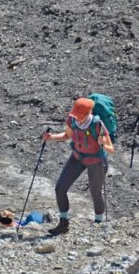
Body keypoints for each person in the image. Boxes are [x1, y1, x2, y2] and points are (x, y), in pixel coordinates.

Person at [42, 97, 116, 235]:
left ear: (88, 113)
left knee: (95, 192)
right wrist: (52, 137)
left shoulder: (97, 124)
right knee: (60, 188)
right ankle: (63, 223)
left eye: (80, 116)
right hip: (77, 157)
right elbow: (67, 135)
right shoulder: (72, 120)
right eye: (76, 115)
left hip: (96, 161)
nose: (77, 118)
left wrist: (103, 144)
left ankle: (98, 223)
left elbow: (111, 149)